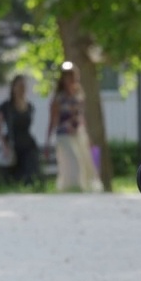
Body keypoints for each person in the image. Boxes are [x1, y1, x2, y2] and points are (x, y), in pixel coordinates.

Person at [44, 62, 100, 192]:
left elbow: (81, 117)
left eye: (73, 76)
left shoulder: (79, 95)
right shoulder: (58, 99)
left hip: (79, 134)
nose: (71, 80)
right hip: (64, 135)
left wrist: (88, 137)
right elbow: (52, 120)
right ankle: (72, 188)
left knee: (86, 162)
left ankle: (83, 188)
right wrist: (47, 142)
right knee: (73, 162)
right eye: (68, 76)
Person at [0, 74, 40, 187]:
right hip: (13, 143)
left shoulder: (29, 106)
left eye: (23, 86)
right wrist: (3, 144)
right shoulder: (6, 106)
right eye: (19, 86)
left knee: (31, 168)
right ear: (13, 88)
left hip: (27, 142)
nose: (22, 89)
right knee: (13, 173)